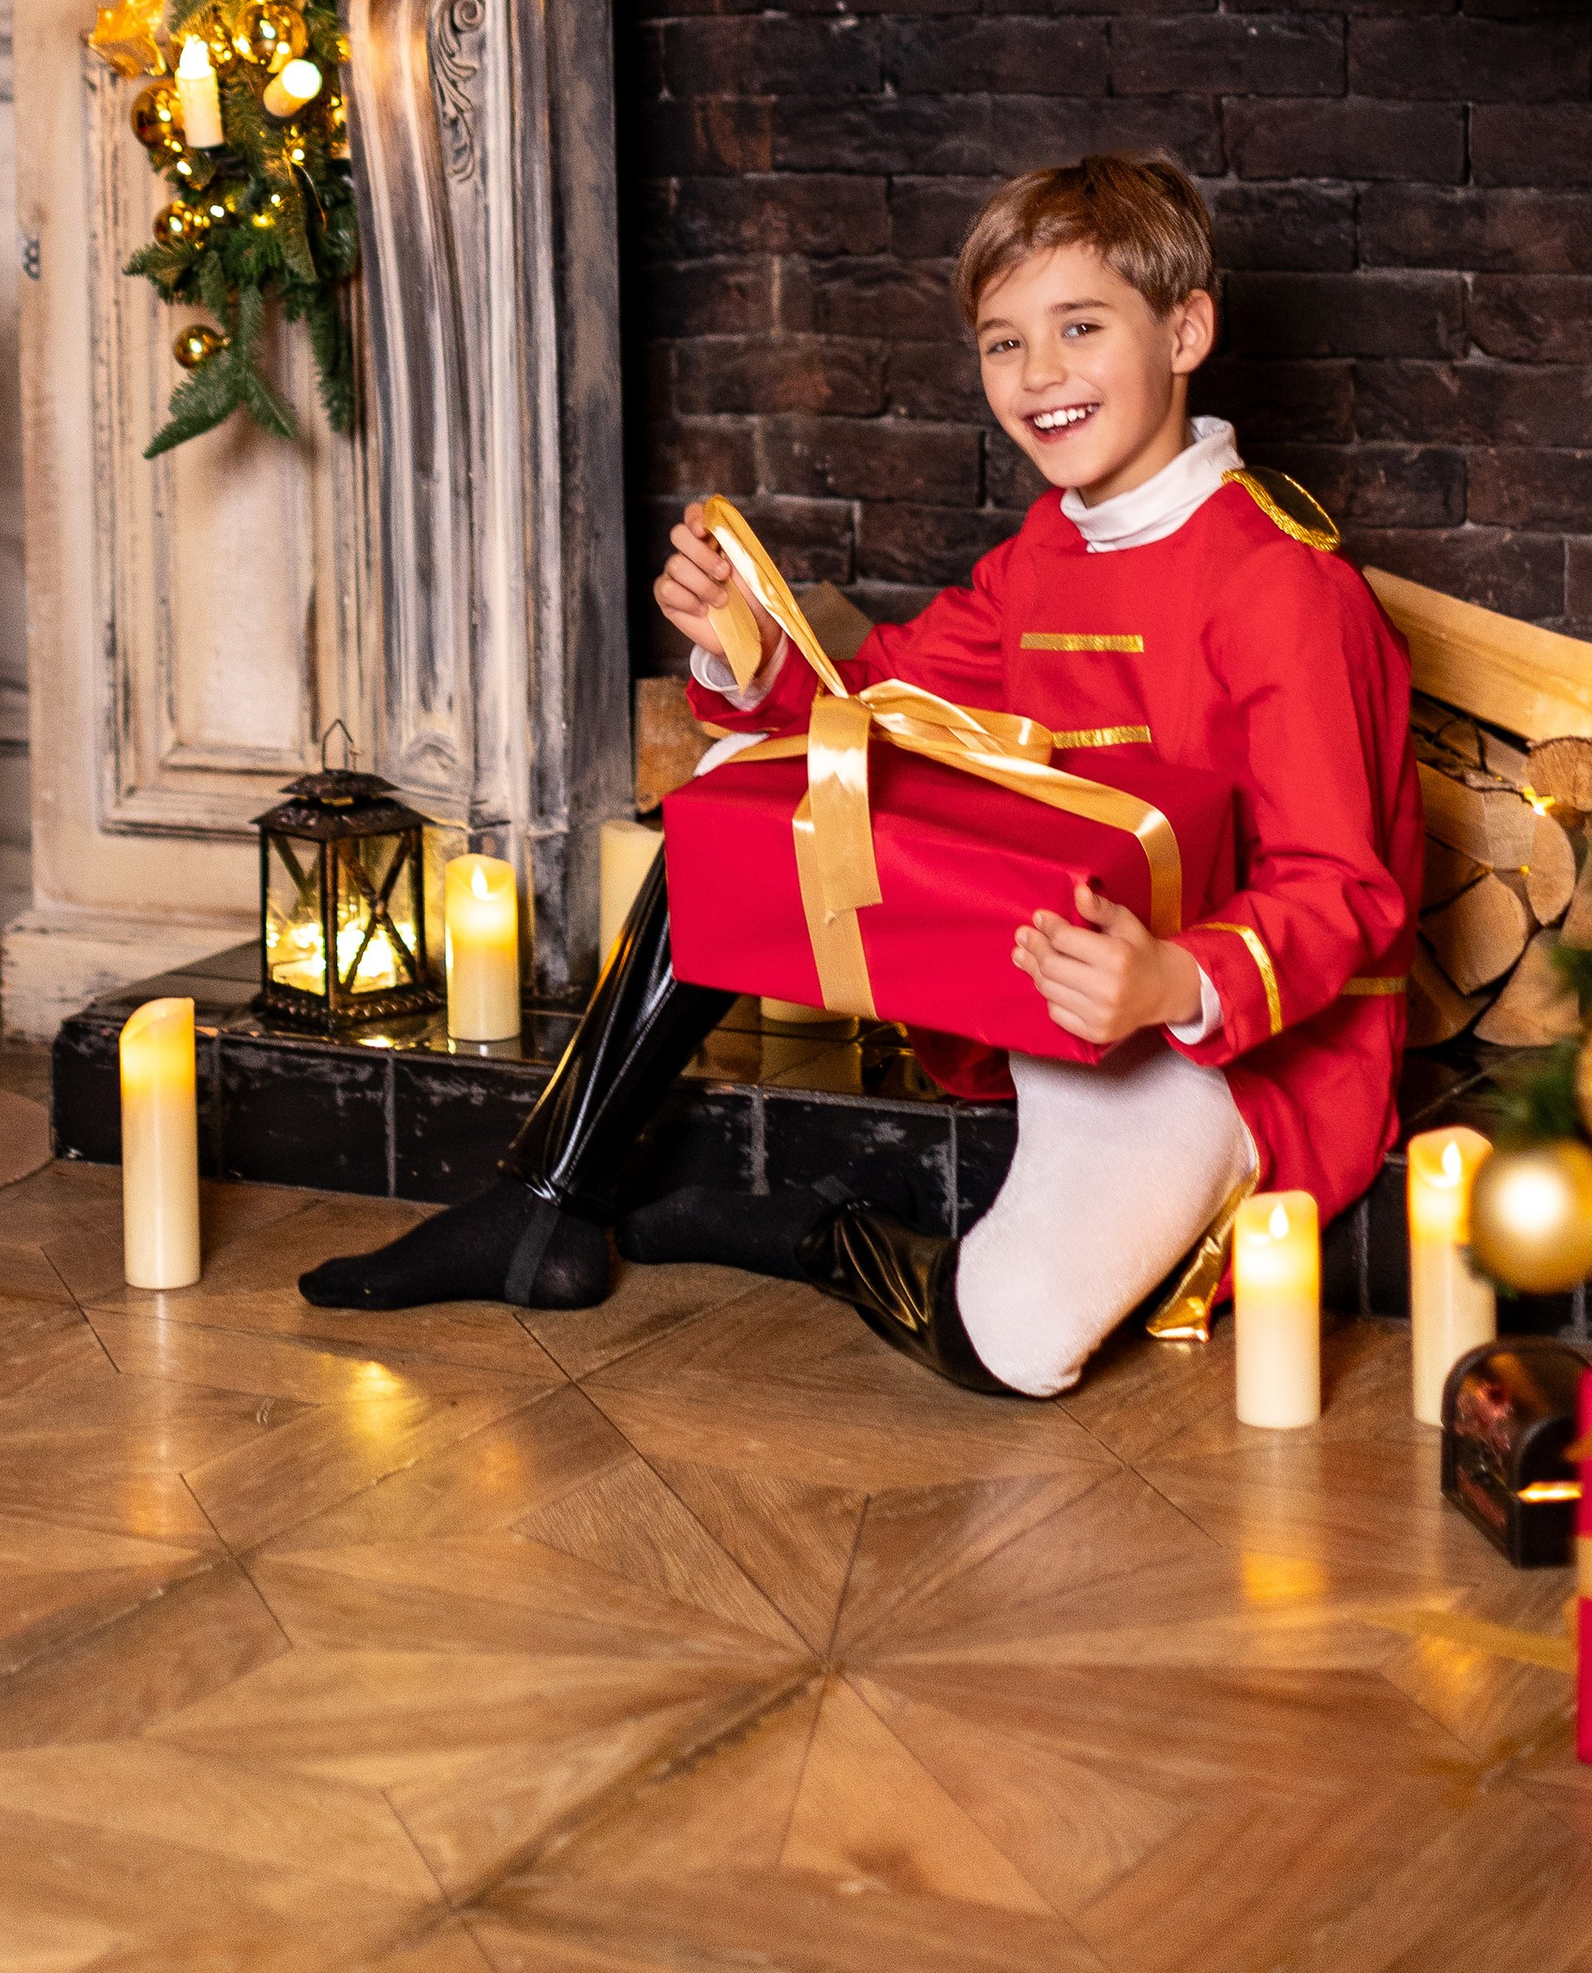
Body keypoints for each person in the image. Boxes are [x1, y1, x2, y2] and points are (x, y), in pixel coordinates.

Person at [300, 153, 1421, 1394]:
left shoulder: (1281, 589)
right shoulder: (1045, 550)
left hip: (1226, 1042)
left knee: (1015, 1348)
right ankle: (544, 1190)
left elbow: (1344, 891)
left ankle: (812, 1234)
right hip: (1049, 971)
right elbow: (875, 704)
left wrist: (1168, 979)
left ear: (1186, 330)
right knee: (748, 787)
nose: (1039, 375)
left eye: (1080, 328)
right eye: (1003, 343)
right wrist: (748, 645)